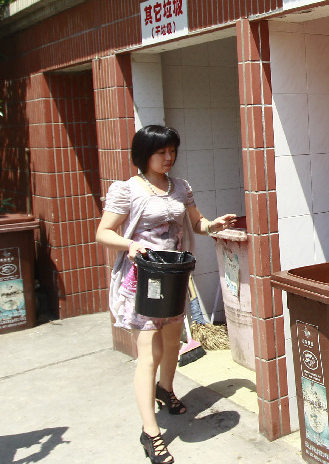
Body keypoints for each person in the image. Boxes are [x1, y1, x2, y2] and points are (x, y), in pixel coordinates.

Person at [96, 125, 236, 464]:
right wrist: (130, 245)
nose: (169, 157)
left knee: (173, 342)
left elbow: (197, 223)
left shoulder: (180, 187)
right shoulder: (127, 190)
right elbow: (103, 232)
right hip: (142, 282)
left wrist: (213, 226)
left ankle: (166, 389)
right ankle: (151, 433)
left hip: (173, 278)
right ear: (145, 154)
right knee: (149, 354)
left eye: (172, 150)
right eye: (162, 152)